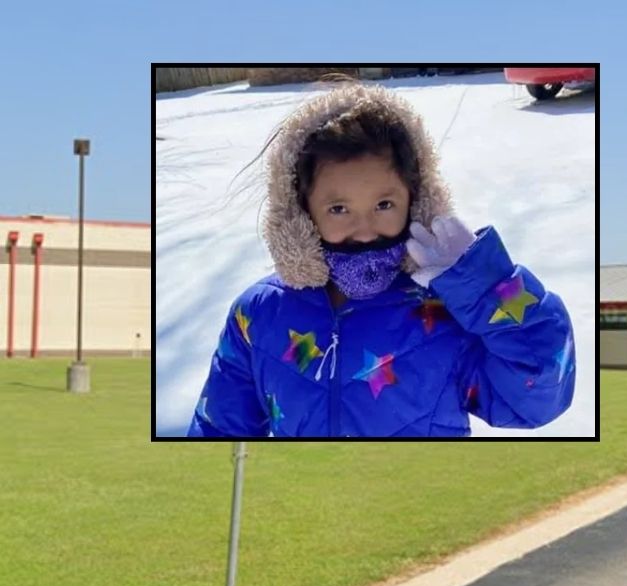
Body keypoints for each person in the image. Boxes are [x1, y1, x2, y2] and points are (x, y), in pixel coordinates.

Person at [187, 82, 576, 437]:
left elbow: (538, 397)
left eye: (384, 204)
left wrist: (486, 287)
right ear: (301, 210)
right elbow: (218, 429)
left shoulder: (445, 310)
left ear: (416, 199)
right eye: (339, 209)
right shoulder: (259, 313)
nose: (365, 229)